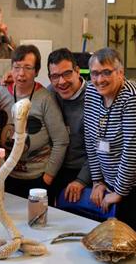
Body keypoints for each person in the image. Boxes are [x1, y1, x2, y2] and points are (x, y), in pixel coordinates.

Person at [84, 47, 136, 237]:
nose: (100, 79)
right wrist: (97, 181)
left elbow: (132, 152)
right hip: (113, 177)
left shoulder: (134, 99)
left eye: (107, 72)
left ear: (120, 73)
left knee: (135, 234)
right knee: (114, 234)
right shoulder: (91, 91)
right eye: (95, 73)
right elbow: (90, 139)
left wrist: (119, 192)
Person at [0, 44, 69, 200]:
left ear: (36, 71)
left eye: (28, 68)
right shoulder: (0, 94)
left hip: (37, 179)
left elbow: (61, 140)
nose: (21, 74)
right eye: (17, 67)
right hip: (7, 175)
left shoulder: (45, 98)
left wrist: (48, 177)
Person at [46, 48, 91, 203]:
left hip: (86, 170)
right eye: (55, 76)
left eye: (67, 74)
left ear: (77, 71)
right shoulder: (50, 93)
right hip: (54, 167)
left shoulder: (95, 98)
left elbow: (100, 151)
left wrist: (82, 180)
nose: (62, 82)